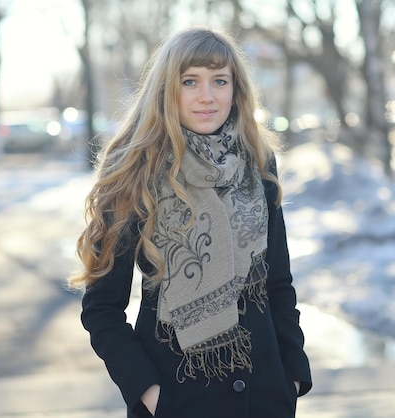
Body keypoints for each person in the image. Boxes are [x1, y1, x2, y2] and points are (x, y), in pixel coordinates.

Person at [69, 27, 312, 418]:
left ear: (236, 90)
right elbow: (102, 309)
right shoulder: (134, 171)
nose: (207, 95)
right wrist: (150, 394)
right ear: (168, 89)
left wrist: (293, 377)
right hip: (178, 402)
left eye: (220, 80)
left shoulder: (257, 164)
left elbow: (278, 284)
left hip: (265, 399)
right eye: (190, 81)